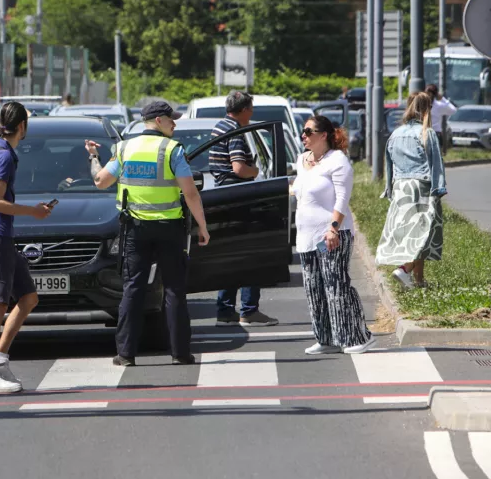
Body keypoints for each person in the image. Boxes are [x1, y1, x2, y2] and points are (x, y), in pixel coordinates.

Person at [88, 100, 211, 367]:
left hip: (135, 230)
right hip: (169, 229)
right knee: (175, 290)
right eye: (171, 119)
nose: (174, 123)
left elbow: (100, 181)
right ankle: (180, 353)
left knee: (133, 289)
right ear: (158, 121)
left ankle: (125, 354)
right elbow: (190, 193)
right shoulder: (172, 150)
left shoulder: (124, 148)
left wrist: (93, 158)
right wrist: (202, 226)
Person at [0, 101, 52, 394]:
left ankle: (0, 358)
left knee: (29, 297)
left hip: (1, 234)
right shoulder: (4, 157)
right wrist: (32, 211)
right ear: (22, 126)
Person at [290, 115, 375, 355]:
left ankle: (360, 336)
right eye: (303, 132)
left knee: (336, 286)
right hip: (306, 236)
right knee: (314, 289)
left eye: (308, 131)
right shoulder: (302, 159)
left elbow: (342, 198)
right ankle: (325, 338)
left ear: (323, 135)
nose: (303, 136)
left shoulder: (337, 161)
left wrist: (333, 228)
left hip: (331, 234)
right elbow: (300, 190)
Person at [208, 90, 279, 327]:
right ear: (245, 109)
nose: (252, 112)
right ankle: (249, 309)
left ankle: (225, 309)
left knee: (230, 254)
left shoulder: (219, 127)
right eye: (251, 108)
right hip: (239, 197)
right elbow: (239, 169)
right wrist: (256, 171)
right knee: (252, 254)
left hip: (223, 196)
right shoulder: (236, 131)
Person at [376, 92, 447, 289]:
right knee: (424, 232)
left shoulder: (395, 134)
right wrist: (439, 188)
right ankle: (404, 269)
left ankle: (419, 281)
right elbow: (436, 164)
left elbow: (388, 165)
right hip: (421, 187)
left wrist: (389, 189)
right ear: (426, 109)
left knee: (413, 233)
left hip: (400, 188)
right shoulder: (427, 133)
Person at [426, 83, 457, 151]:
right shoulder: (439, 105)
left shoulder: (423, 104)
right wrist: (442, 98)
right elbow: (453, 110)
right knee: (436, 158)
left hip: (424, 133)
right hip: (435, 133)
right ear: (436, 94)